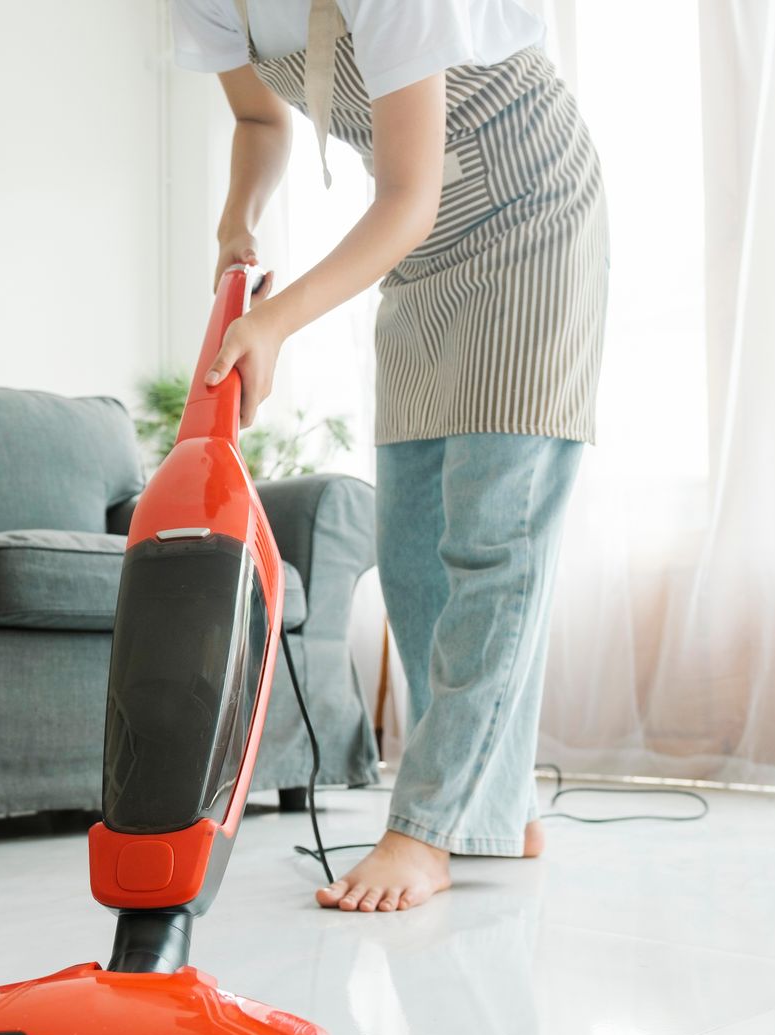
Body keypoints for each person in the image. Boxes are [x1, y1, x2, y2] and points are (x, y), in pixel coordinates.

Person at [172, 0, 608, 911]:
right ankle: (493, 805)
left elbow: (406, 191)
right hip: (417, 252)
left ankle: (427, 830)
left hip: (528, 216)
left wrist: (278, 323)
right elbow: (259, 118)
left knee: (496, 534)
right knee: (411, 553)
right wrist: (234, 224)